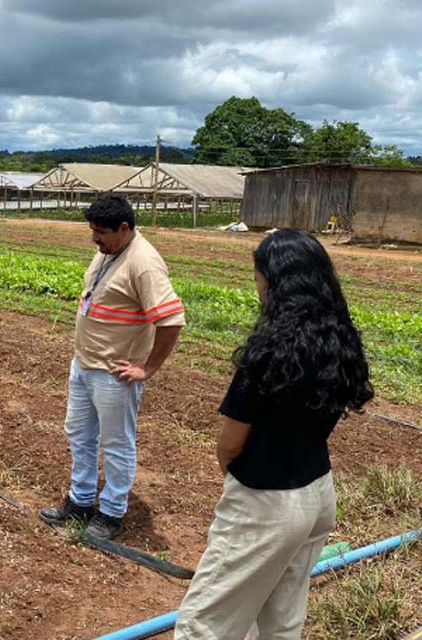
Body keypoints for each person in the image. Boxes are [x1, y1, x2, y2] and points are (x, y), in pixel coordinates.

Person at [174, 230, 373, 639]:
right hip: (317, 493)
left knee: (204, 624)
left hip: (266, 502)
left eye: (258, 276)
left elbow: (230, 444)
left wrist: (238, 478)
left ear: (274, 281)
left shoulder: (269, 352)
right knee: (282, 619)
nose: (257, 286)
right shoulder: (338, 339)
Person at [39, 195, 185, 540]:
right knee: (79, 434)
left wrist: (147, 368)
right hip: (85, 365)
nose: (94, 238)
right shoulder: (109, 251)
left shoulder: (144, 263)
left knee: (116, 443)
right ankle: (81, 500)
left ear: (124, 228)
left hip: (114, 374)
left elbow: (172, 320)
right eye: (92, 230)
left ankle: (112, 512)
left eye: (101, 232)